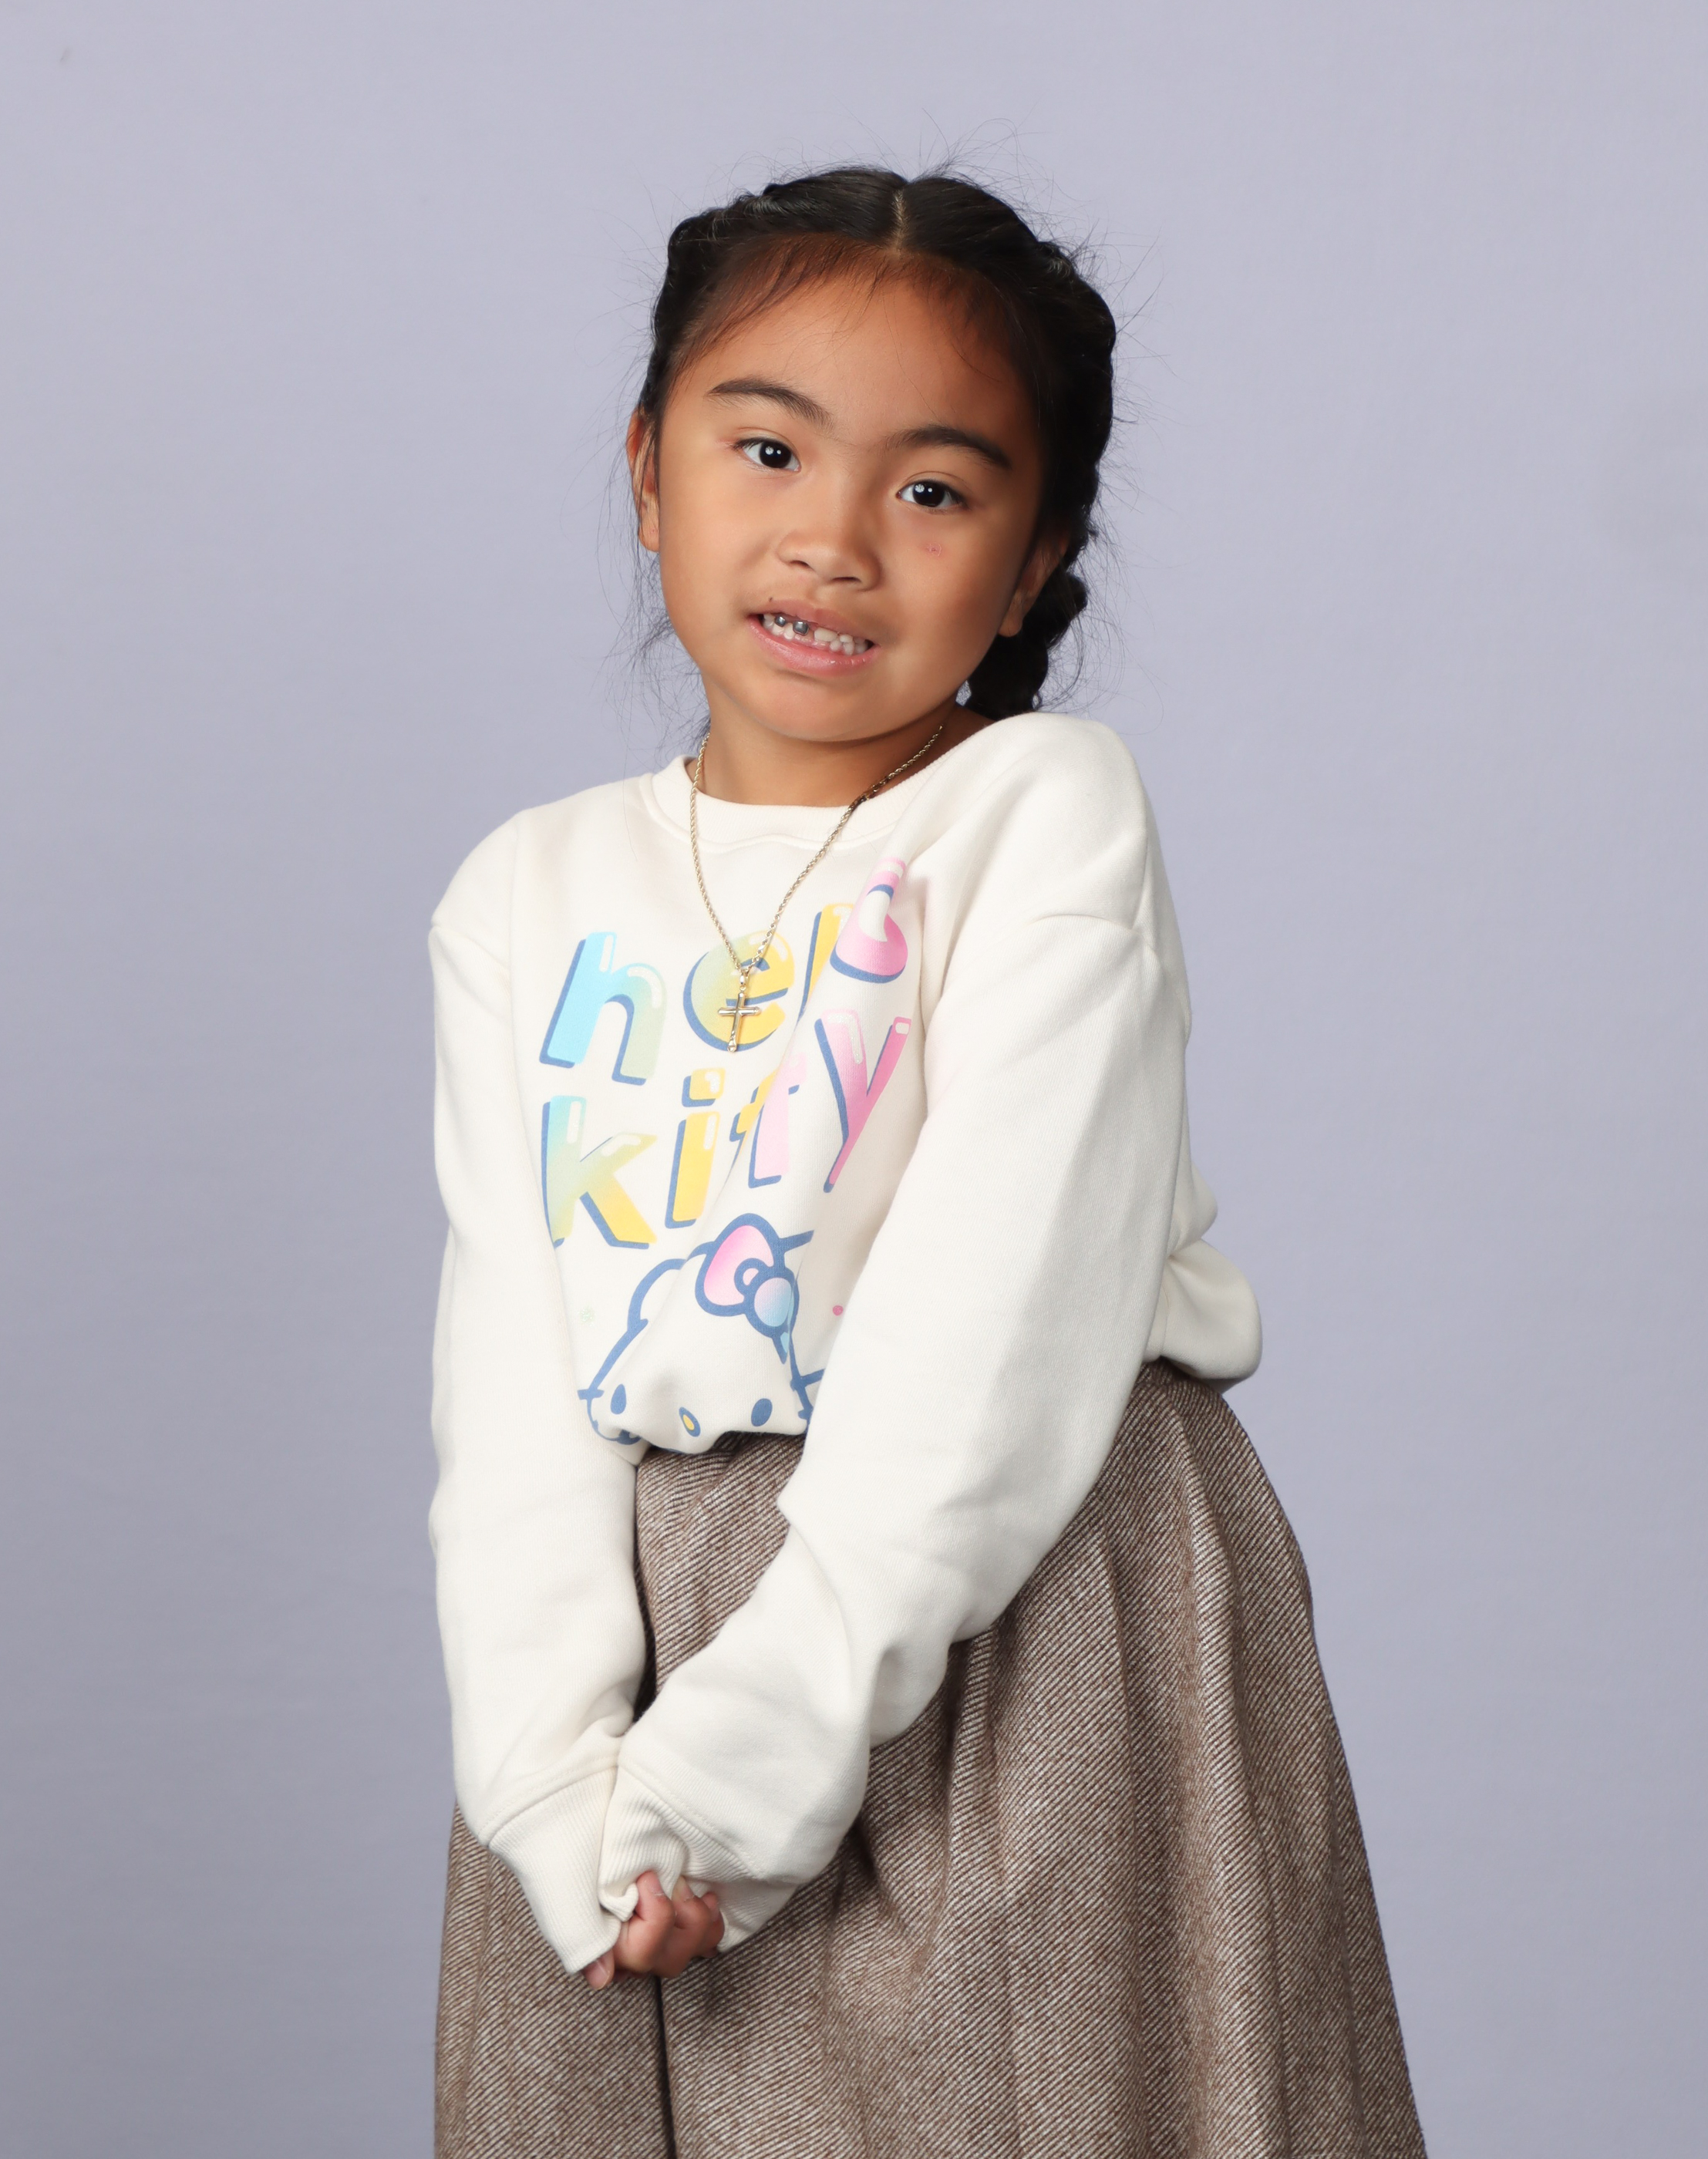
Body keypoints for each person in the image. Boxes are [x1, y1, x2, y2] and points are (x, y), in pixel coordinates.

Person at [428, 165, 1426, 2159]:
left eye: (937, 489)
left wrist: (739, 1771)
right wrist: (557, 1786)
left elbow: (992, 1325)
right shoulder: (526, 890)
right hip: (637, 1659)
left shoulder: (1042, 811)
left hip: (1009, 1610)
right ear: (647, 471)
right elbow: (513, 1376)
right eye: (768, 448)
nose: (834, 536)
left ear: (1036, 559)